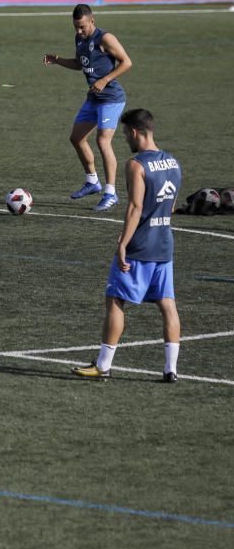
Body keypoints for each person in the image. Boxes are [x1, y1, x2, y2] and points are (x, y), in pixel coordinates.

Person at [73, 108, 182, 383]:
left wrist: (123, 242)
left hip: (140, 247)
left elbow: (135, 207)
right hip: (164, 245)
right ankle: (171, 369)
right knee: (168, 305)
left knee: (115, 300)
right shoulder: (173, 162)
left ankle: (103, 365)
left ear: (135, 132)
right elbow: (171, 204)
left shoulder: (136, 165)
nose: (125, 140)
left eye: (125, 134)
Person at [44, 4, 133, 212]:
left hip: (111, 97)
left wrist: (105, 80)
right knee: (76, 138)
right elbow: (79, 64)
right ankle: (92, 181)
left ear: (92, 21)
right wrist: (57, 61)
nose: (79, 31)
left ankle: (111, 193)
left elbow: (127, 62)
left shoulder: (105, 38)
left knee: (103, 141)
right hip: (94, 98)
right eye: (75, 27)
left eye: (82, 27)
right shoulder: (80, 39)